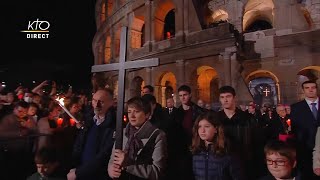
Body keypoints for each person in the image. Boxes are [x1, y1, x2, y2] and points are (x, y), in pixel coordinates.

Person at [108, 97, 167, 180]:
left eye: (136, 112)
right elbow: (113, 159)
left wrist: (128, 164)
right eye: (129, 112)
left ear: (147, 114)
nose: (131, 116)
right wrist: (111, 169)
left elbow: (157, 171)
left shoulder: (157, 135)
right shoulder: (123, 133)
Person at [68, 89, 116, 180]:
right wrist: (74, 166)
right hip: (80, 170)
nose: (96, 105)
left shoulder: (113, 125)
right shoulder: (88, 119)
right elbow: (79, 144)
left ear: (111, 103)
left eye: (101, 102)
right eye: (94, 100)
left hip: (98, 175)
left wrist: (79, 172)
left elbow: (104, 155)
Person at [191, 111, 244, 180]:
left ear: (216, 129)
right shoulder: (196, 153)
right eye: (199, 127)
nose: (202, 130)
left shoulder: (227, 153)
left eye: (207, 126)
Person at [291, 80, 320, 179]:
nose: (310, 90)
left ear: (317, 89)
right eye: (307, 88)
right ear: (303, 90)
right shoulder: (296, 108)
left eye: (313, 87)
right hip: (305, 150)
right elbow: (295, 130)